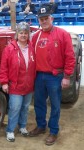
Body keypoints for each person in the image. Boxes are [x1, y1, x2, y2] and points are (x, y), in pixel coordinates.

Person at [29, 6, 76, 146]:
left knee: (55, 105)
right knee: (39, 103)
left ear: (52, 18)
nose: (44, 21)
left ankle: (54, 131)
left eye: (46, 18)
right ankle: (41, 126)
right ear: (38, 20)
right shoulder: (36, 36)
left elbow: (70, 57)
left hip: (55, 76)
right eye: (41, 19)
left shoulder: (63, 34)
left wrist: (67, 76)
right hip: (39, 76)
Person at [0, 22, 35, 142]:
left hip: (29, 85)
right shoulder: (9, 49)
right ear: (17, 34)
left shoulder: (32, 48)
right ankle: (10, 130)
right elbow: (4, 67)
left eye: (25, 33)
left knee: (25, 107)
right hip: (15, 86)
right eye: (21, 33)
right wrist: (4, 82)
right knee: (15, 108)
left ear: (28, 34)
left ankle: (22, 126)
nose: (23, 35)